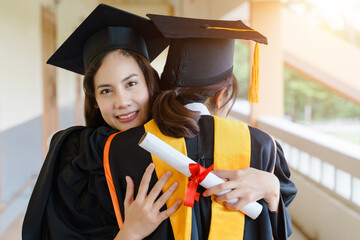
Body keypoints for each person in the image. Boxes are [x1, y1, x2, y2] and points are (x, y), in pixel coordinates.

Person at [103, 14, 297, 240]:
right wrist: (273, 189)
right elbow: (277, 229)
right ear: (222, 95)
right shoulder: (262, 145)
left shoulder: (120, 147)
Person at [22, 4, 181, 240]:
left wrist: (258, 183)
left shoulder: (182, 140)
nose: (122, 101)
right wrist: (130, 234)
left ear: (150, 83)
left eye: (131, 84)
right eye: (106, 91)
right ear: (94, 100)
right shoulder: (77, 160)